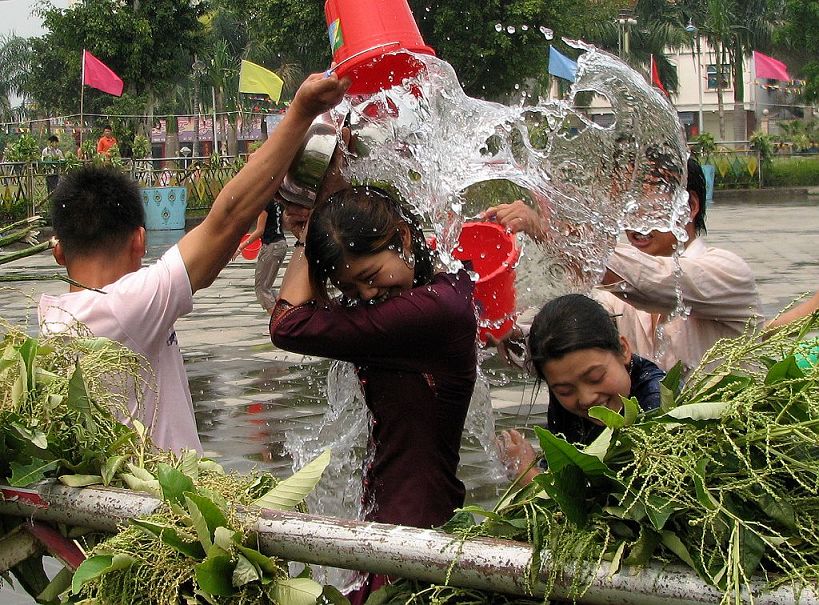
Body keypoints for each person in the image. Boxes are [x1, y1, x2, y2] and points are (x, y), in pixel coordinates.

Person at [38, 72, 350, 454]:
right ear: (140, 240)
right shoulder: (126, 307)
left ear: (58, 251)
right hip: (166, 507)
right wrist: (302, 111)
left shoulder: (52, 325)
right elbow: (226, 221)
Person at [270, 185, 477, 603]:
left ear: (401, 237)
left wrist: (307, 237)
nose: (366, 296)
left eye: (369, 276)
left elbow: (287, 323)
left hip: (412, 529)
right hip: (399, 518)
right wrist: (318, 229)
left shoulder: (432, 311)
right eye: (350, 288)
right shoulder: (442, 289)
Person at [485, 157, 763, 376]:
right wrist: (504, 331)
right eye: (626, 210)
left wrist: (550, 233)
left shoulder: (728, 271)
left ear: (689, 206)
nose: (633, 224)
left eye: (644, 208)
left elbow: (658, 283)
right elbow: (560, 342)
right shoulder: (613, 299)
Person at [498, 294, 665, 485]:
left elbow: (619, 503)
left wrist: (526, 474)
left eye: (595, 378)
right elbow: (564, 475)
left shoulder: (659, 403)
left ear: (623, 349)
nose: (586, 399)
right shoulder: (567, 407)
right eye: (564, 391)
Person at [236, 197, 288, 313]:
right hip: (281, 244)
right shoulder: (278, 202)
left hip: (272, 246)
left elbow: (260, 230)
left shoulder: (265, 203)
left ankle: (281, 323)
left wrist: (241, 247)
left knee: (261, 288)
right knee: (267, 286)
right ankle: (285, 315)